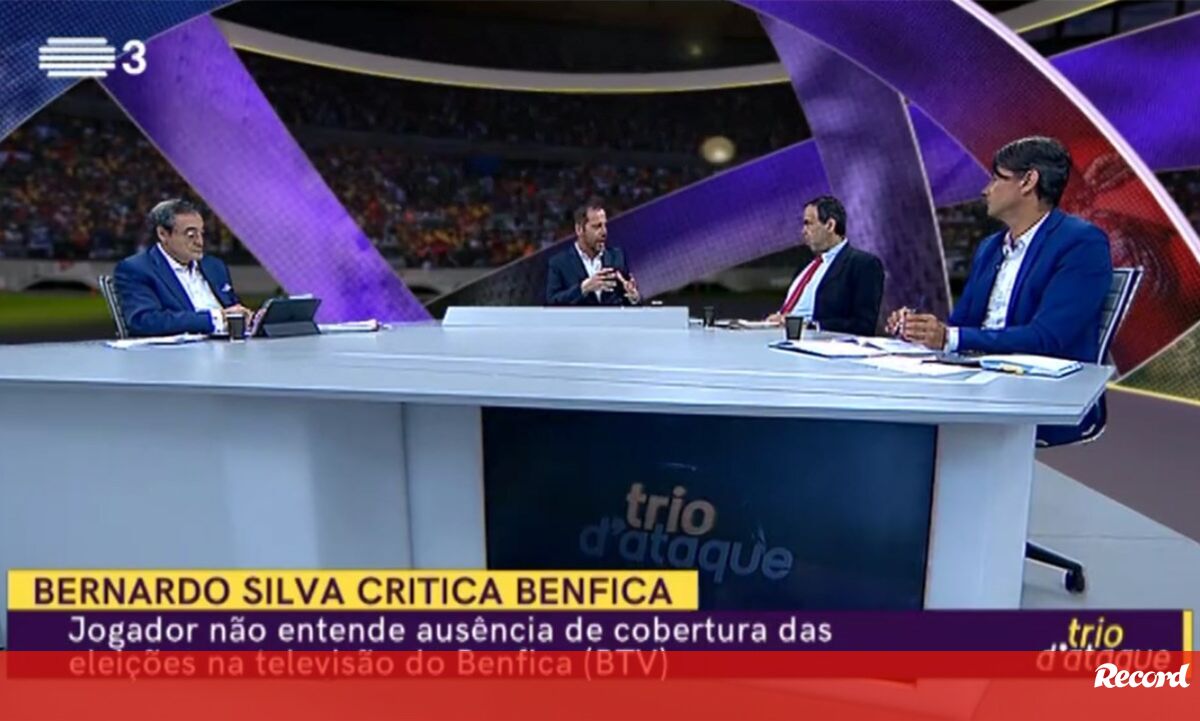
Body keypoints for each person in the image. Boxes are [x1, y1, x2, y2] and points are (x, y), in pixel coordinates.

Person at [887, 136, 1112, 444]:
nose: (985, 189)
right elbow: (962, 325)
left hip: (1039, 390)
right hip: (980, 378)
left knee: (913, 425)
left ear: (1028, 181)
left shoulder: (1081, 243)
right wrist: (921, 329)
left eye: (996, 178)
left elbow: (1048, 337)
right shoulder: (990, 247)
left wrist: (951, 338)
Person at [114, 199, 255, 337]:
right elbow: (144, 321)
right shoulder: (137, 269)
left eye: (201, 233)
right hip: (185, 349)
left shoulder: (214, 266)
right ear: (163, 234)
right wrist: (214, 318)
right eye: (191, 235)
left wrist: (245, 316)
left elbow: (231, 306)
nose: (200, 242)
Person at [766, 195, 884, 336]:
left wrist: (810, 326)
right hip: (777, 335)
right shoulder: (806, 267)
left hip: (817, 343)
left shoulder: (863, 264)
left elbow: (864, 325)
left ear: (830, 225)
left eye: (808, 223)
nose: (803, 231)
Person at [546, 199, 640, 306]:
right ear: (579, 229)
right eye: (597, 226)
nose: (604, 232)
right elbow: (552, 303)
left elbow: (629, 300)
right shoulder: (559, 263)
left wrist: (633, 297)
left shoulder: (616, 256)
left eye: (604, 225)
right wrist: (583, 288)